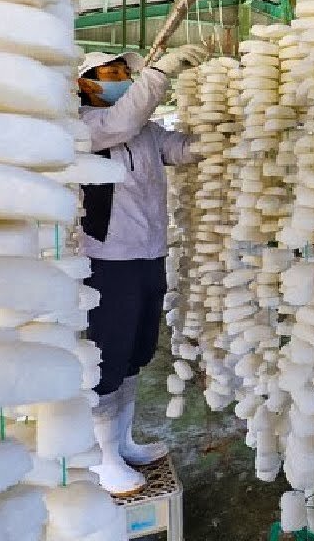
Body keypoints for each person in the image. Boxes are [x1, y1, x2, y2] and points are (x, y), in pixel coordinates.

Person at [76, 45, 207, 495]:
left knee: (137, 351)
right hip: (107, 260)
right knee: (108, 355)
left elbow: (176, 148)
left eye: (123, 72)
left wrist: (213, 140)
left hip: (149, 253)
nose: (119, 78)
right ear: (86, 83)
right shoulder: (86, 126)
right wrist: (159, 73)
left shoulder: (143, 130)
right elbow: (122, 122)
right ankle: (102, 459)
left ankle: (123, 442)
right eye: (110, 73)